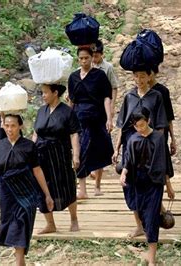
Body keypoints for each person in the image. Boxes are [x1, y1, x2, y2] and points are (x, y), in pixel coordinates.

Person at [0, 114, 54, 266]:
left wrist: (47, 194)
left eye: (13, 126)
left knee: (22, 222)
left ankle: (19, 260)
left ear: (20, 126)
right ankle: (20, 260)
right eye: (7, 126)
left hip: (27, 191)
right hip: (6, 192)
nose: (10, 129)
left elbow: (37, 171)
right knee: (11, 223)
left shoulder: (29, 146)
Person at [114, 68, 168, 238]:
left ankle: (154, 213)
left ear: (149, 76)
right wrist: (117, 148)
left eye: (143, 76)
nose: (139, 79)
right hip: (132, 145)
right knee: (131, 186)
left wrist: (166, 143)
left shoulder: (156, 96)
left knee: (151, 181)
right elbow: (123, 126)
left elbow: (161, 125)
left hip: (152, 145)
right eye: (136, 76)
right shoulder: (129, 97)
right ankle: (139, 225)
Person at [119, 107, 175, 266]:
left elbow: (165, 164)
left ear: (148, 121)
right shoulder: (133, 139)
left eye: (142, 125)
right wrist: (123, 174)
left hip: (155, 183)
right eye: (137, 126)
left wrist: (169, 187)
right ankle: (148, 251)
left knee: (151, 218)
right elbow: (128, 160)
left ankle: (152, 258)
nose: (140, 129)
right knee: (143, 215)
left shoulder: (158, 139)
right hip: (138, 182)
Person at [32, 84, 81, 234]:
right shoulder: (41, 111)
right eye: (42, 93)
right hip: (41, 154)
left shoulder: (67, 112)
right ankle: (50, 224)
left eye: (46, 92)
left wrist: (76, 155)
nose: (43, 95)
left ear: (55, 93)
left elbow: (74, 134)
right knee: (42, 187)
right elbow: (35, 133)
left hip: (60, 154)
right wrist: (30, 151)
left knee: (67, 184)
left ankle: (74, 219)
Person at [68, 46, 114, 198]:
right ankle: (82, 189)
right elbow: (72, 101)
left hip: (96, 117)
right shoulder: (73, 77)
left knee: (97, 150)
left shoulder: (99, 75)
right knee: (79, 150)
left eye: (86, 58)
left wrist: (109, 117)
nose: (83, 61)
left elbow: (107, 97)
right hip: (79, 119)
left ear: (91, 58)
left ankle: (97, 185)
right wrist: (67, 119)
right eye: (81, 58)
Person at [149, 66, 176, 178]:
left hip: (160, 129)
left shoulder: (163, 91)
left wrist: (173, 139)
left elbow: (168, 116)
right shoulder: (137, 91)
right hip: (144, 129)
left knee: (161, 156)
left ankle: (165, 182)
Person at [92, 39, 120, 109]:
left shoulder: (108, 67)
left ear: (102, 54)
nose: (93, 59)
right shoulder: (87, 66)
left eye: (96, 56)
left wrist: (112, 105)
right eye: (92, 56)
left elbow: (114, 87)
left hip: (104, 103)